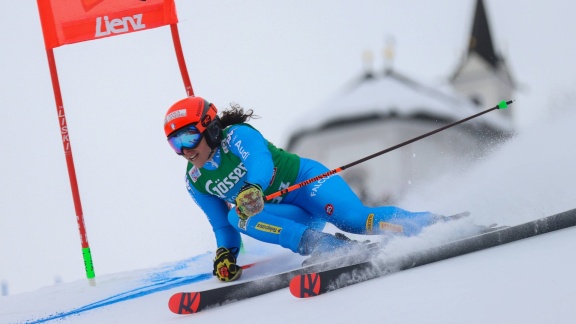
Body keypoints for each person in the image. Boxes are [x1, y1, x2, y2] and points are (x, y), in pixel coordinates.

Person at [164, 96, 453, 282]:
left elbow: (259, 161)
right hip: (291, 215)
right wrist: (226, 255)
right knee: (234, 217)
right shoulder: (195, 180)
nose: (185, 150)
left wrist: (253, 187)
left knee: (355, 220)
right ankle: (328, 247)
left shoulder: (237, 136)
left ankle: (435, 225)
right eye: (175, 143)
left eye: (188, 137)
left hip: (308, 185)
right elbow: (222, 228)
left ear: (210, 128)